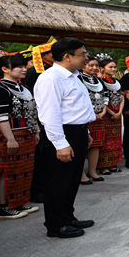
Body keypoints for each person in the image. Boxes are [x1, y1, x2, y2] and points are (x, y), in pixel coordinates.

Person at [34, 39, 97, 238]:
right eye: (82, 54)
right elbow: (49, 115)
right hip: (61, 134)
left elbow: (75, 109)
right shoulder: (50, 78)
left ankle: (67, 217)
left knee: (72, 179)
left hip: (77, 132)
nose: (86, 58)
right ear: (67, 56)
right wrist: (61, 144)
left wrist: (85, 133)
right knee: (58, 181)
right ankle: (56, 224)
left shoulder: (73, 76)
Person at [0, 53, 41, 219]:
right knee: (5, 170)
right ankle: (3, 207)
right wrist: (10, 138)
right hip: (7, 134)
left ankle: (18, 202)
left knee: (23, 169)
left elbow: (32, 112)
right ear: (5, 69)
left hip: (25, 133)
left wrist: (36, 130)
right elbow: (0, 117)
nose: (24, 69)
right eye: (19, 67)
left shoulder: (23, 88)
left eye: (24, 66)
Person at [79, 56, 108, 184]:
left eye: (96, 65)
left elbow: (105, 96)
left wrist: (104, 110)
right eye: (91, 65)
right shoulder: (78, 79)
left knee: (96, 144)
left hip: (99, 115)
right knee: (83, 145)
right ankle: (81, 174)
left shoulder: (99, 80)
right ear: (83, 66)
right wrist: (91, 113)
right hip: (85, 116)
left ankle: (92, 171)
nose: (94, 68)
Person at [96, 54, 124, 174]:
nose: (113, 69)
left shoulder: (117, 82)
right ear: (102, 69)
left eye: (114, 67)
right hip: (106, 114)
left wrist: (120, 112)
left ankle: (112, 164)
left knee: (116, 139)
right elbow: (101, 100)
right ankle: (103, 166)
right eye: (110, 67)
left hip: (117, 114)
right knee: (105, 140)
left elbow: (122, 97)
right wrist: (112, 112)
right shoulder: (99, 82)